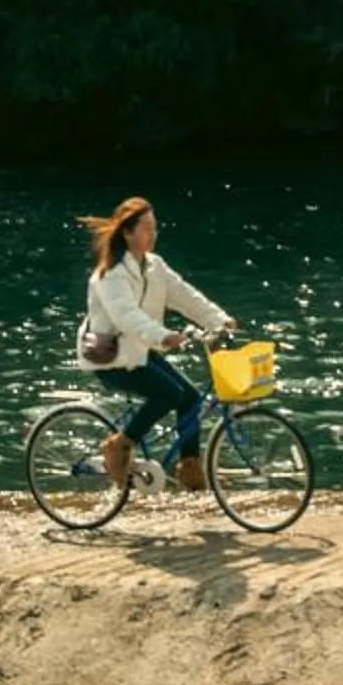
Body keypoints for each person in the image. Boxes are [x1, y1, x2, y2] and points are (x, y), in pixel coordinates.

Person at [79, 196, 234, 491]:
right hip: (111, 357)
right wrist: (162, 336)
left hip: (140, 350)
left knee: (190, 397)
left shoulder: (154, 266)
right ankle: (119, 447)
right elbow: (127, 317)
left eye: (155, 228)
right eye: (147, 229)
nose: (153, 235)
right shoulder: (109, 274)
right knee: (169, 394)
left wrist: (218, 320)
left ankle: (190, 468)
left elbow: (185, 295)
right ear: (128, 233)